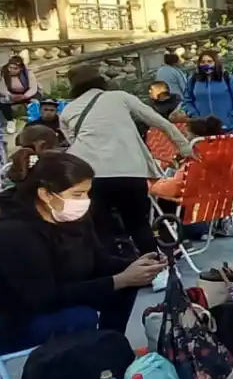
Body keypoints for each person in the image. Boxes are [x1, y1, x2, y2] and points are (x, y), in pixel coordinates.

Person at [0, 152, 167, 365]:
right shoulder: (12, 232)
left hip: (24, 308)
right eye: (77, 194)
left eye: (86, 193)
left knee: (123, 287)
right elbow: (43, 298)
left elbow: (99, 262)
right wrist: (120, 279)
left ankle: (108, 355)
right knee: (80, 316)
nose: (84, 201)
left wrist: (137, 267)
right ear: (45, 194)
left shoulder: (71, 220)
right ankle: (83, 372)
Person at [60, 65, 193, 256]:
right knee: (138, 225)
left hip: (92, 176)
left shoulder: (67, 112)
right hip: (130, 172)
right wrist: (184, 147)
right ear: (100, 80)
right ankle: (156, 270)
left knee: (102, 229)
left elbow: (75, 144)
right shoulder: (120, 97)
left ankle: (116, 273)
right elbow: (159, 121)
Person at [183, 50, 233, 131]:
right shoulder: (193, 80)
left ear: (216, 62)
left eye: (209, 61)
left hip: (227, 128)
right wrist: (195, 116)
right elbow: (187, 100)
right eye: (202, 62)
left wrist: (231, 118)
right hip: (202, 129)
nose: (206, 64)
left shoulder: (228, 78)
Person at [0, 55, 39, 131]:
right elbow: (2, 89)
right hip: (12, 94)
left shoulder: (28, 73)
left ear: (21, 68)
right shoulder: (4, 73)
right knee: (3, 101)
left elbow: (33, 88)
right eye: (10, 68)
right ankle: (10, 120)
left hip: (26, 94)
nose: (12, 70)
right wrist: (10, 95)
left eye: (15, 68)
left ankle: (35, 120)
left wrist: (25, 96)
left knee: (35, 102)